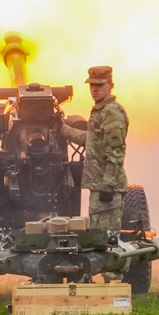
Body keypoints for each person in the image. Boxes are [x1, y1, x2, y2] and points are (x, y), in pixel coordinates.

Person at [60, 65, 129, 232]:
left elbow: (116, 151)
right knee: (98, 237)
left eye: (99, 85)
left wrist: (108, 185)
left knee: (105, 240)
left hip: (106, 190)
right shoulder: (100, 111)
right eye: (92, 86)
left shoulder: (111, 112)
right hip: (98, 186)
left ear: (110, 85)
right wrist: (62, 129)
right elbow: (92, 140)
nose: (95, 90)